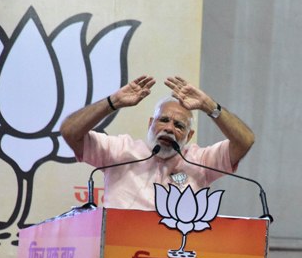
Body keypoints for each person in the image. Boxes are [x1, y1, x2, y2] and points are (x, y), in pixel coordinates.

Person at [61, 75, 255, 210]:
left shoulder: (201, 161)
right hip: (119, 249)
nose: (169, 128)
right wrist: (114, 102)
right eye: (163, 120)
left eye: (179, 125)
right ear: (150, 124)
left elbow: (244, 141)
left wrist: (209, 106)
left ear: (188, 136)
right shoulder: (121, 151)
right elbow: (70, 132)